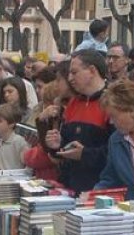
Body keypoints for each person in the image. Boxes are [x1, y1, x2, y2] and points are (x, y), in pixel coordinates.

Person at [45, 50, 111, 193]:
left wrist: (84, 154)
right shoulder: (73, 103)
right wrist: (56, 145)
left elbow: (117, 152)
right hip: (70, 187)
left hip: (99, 189)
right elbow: (65, 147)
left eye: (74, 73)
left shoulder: (111, 101)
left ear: (92, 71)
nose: (70, 78)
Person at [0, 104, 30, 170]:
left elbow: (28, 167)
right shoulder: (0, 143)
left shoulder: (19, 142)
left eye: (0, 121)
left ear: (11, 124)